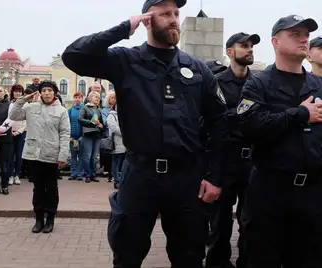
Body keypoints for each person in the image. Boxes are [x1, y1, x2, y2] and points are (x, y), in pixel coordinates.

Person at [62, 0, 228, 267]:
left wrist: (215, 176)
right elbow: (73, 55)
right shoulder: (126, 60)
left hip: (186, 178)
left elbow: (220, 123)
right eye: (165, 14)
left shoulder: (198, 69)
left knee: (190, 256)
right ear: (148, 20)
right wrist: (123, 28)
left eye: (176, 13)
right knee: (127, 252)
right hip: (140, 174)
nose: (174, 19)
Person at [237, 15, 322, 268]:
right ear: (275, 41)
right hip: (270, 192)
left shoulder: (318, 85)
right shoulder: (258, 83)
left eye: (306, 34)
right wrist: (300, 114)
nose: (303, 38)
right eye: (295, 34)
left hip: (312, 194)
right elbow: (251, 127)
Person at [206, 32, 260, 268]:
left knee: (251, 221)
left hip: (253, 161)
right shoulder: (215, 82)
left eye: (251, 46)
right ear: (229, 52)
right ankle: (218, 263)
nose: (249, 49)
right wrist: (239, 113)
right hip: (224, 160)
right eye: (243, 45)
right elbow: (209, 121)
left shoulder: (259, 83)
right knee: (220, 223)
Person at [9, 80, 70, 233]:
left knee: (50, 188)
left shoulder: (61, 111)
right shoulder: (31, 107)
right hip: (34, 155)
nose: (47, 93)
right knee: (37, 188)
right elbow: (14, 115)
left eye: (50, 90)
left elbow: (64, 134)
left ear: (54, 92)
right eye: (44, 91)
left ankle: (50, 219)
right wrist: (23, 99)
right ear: (40, 93)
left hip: (52, 155)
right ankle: (38, 218)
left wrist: (63, 155)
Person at [68, 92, 84, 181]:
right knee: (73, 156)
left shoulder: (84, 109)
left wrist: (83, 136)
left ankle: (80, 174)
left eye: (79, 97)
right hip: (72, 138)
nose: (77, 99)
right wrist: (69, 136)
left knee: (81, 156)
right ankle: (73, 173)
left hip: (82, 137)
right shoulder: (70, 110)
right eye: (76, 97)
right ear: (74, 99)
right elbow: (67, 124)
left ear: (82, 99)